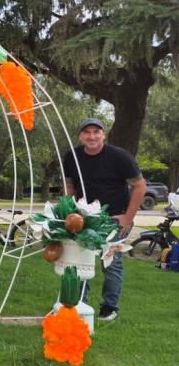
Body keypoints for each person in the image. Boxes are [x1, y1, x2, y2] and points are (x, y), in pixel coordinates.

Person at [62, 118, 146, 321]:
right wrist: (67, 212)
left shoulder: (119, 157)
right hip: (83, 218)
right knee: (81, 260)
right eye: (87, 132)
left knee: (111, 263)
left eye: (96, 132)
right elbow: (69, 185)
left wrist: (127, 217)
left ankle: (109, 308)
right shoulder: (71, 156)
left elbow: (140, 185)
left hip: (114, 218)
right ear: (80, 135)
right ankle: (80, 302)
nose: (91, 136)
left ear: (103, 135)